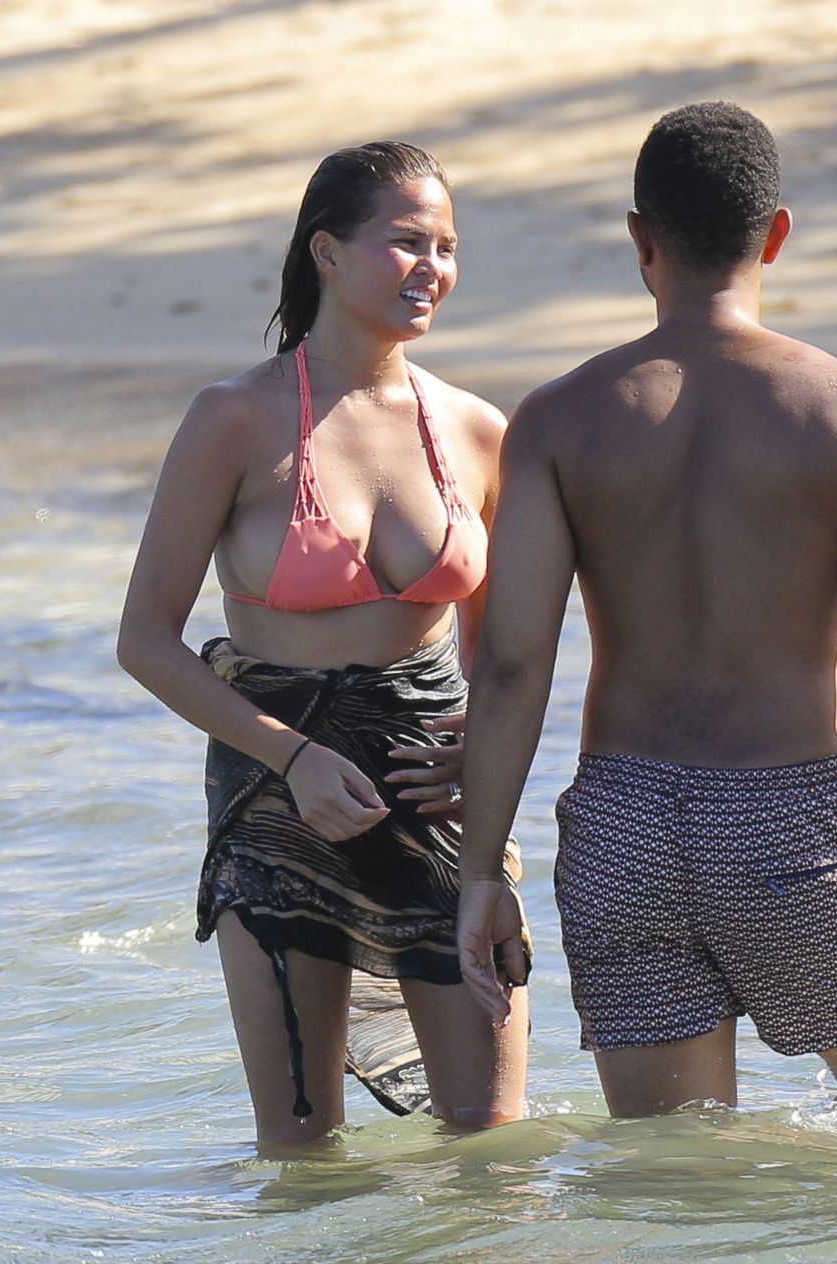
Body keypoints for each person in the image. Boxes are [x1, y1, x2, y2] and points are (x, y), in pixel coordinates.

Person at [454, 103, 837, 1121]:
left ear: (640, 239)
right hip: (783, 819)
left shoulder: (558, 419)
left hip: (622, 829)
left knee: (674, 1169)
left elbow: (509, 665)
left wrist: (480, 868)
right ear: (777, 235)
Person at [117, 141, 530, 1154]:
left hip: (437, 798)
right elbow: (145, 640)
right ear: (327, 252)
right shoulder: (232, 419)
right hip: (279, 797)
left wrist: (485, 757)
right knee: (303, 1152)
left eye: (447, 247)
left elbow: (502, 660)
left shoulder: (478, 431)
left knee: (490, 1141)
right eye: (406, 242)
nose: (432, 267)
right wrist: (293, 757)